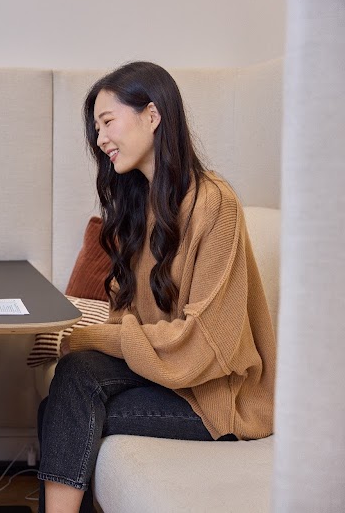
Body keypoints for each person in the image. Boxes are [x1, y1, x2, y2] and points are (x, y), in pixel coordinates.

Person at [37, 62, 276, 512]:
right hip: (166, 377)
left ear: (152, 115)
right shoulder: (139, 205)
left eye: (108, 122)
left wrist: (85, 337)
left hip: (215, 397)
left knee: (68, 392)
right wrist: (95, 340)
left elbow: (203, 344)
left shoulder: (214, 203)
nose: (100, 139)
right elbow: (128, 316)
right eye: (97, 129)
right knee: (65, 395)